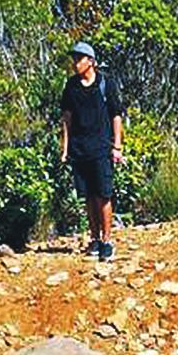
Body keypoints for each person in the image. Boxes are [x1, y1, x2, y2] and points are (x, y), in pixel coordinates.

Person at [58, 41, 126, 260]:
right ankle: (95, 239)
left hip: (101, 148)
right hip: (79, 150)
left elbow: (116, 115)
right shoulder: (71, 86)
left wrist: (117, 146)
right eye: (74, 59)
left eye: (80, 58)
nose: (75, 63)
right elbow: (67, 119)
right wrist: (65, 148)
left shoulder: (106, 84)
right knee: (88, 197)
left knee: (103, 196)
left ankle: (107, 242)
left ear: (91, 62)